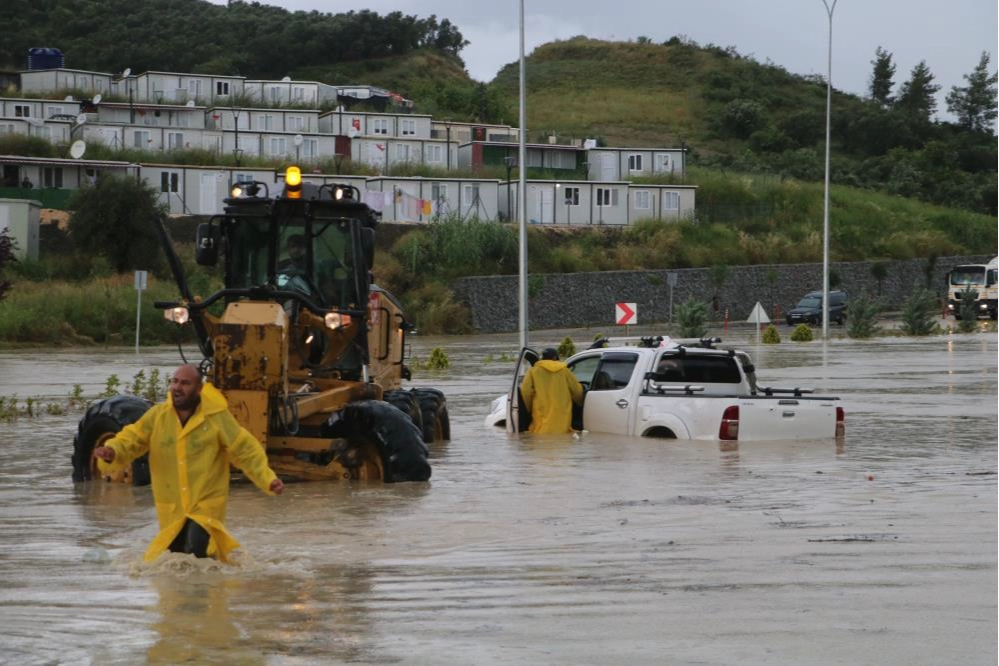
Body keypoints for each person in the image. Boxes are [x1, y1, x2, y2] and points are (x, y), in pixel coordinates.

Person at [94, 364, 284, 563]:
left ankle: (207, 590)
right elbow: (132, 439)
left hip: (205, 504)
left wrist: (268, 479)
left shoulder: (217, 417)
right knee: (177, 558)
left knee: (196, 550)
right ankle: (199, 590)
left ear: (199, 389)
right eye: (174, 382)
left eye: (185, 383)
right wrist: (112, 452)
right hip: (172, 507)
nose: (177, 387)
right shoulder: (158, 416)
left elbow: (244, 450)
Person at [519, 347, 584, 434]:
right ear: (555, 358)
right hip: (562, 414)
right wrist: (580, 403)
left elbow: (526, 392)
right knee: (562, 439)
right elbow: (576, 390)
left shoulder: (533, 371)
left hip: (541, 412)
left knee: (540, 436)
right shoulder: (565, 371)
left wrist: (527, 409)